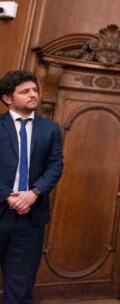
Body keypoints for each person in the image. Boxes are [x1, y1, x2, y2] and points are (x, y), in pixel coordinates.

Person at [0, 70, 63, 304]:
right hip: (1, 210)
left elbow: (55, 166)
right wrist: (10, 196)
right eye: (25, 91)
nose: (33, 95)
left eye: (35, 90)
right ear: (8, 98)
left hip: (31, 218)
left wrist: (33, 194)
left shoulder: (50, 129)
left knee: (21, 284)